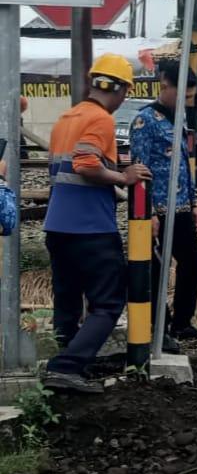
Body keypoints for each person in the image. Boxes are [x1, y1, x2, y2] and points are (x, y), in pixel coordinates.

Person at [43, 54, 152, 393]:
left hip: (58, 226)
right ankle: (67, 367)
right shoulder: (101, 119)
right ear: (120, 90)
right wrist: (124, 176)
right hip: (90, 229)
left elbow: (62, 169)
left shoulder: (66, 117)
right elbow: (85, 164)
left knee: (68, 301)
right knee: (107, 303)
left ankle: (64, 363)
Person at [130, 59, 197, 351]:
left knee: (193, 264)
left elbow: (185, 163)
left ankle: (181, 322)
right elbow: (139, 167)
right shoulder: (145, 120)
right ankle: (158, 326)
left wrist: (195, 201)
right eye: (182, 94)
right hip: (156, 211)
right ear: (165, 85)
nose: (185, 101)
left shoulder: (179, 119)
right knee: (157, 271)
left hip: (182, 209)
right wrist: (146, 213)